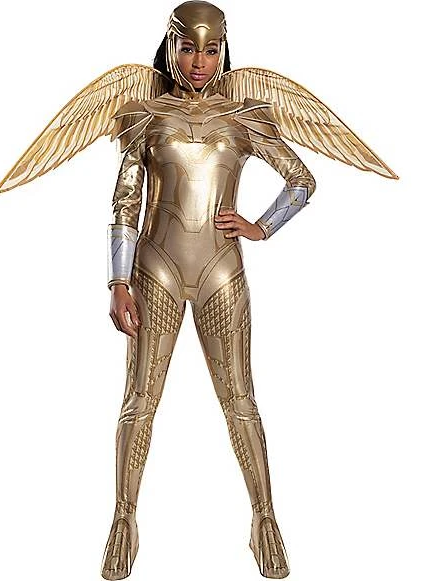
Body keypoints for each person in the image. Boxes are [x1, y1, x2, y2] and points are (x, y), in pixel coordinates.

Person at [102, 2, 316, 579]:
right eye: (189, 47)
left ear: (224, 50)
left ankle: (265, 519)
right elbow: (125, 203)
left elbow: (302, 180)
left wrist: (261, 225)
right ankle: (123, 520)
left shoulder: (244, 115)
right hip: (155, 269)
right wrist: (118, 281)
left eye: (211, 48)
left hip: (223, 270)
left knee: (240, 400)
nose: (200, 60)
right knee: (140, 401)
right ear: (171, 47)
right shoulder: (142, 115)